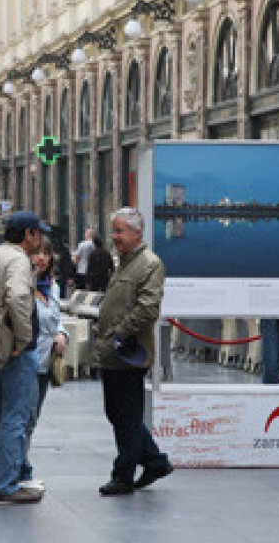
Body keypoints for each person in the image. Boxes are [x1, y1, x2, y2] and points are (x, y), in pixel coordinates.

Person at [94, 207, 173, 496]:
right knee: (117, 413)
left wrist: (120, 332)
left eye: (119, 231)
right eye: (113, 231)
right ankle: (155, 461)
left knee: (126, 416)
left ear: (137, 233)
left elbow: (148, 307)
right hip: (111, 352)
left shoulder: (150, 264)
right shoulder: (123, 262)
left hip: (129, 352)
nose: (114, 237)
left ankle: (123, 475)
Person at [0, 211, 50, 505]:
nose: (40, 239)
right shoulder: (18, 260)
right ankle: (6, 484)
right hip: (14, 348)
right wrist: (22, 338)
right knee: (16, 418)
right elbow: (19, 298)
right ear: (28, 234)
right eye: (37, 233)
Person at [20, 236, 67, 490]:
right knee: (23, 419)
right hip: (27, 360)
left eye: (46, 253)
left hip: (46, 362)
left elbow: (56, 320)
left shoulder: (53, 287)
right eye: (37, 252)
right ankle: (21, 471)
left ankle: (22, 467)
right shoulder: (23, 286)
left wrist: (63, 334)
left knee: (32, 418)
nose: (42, 258)